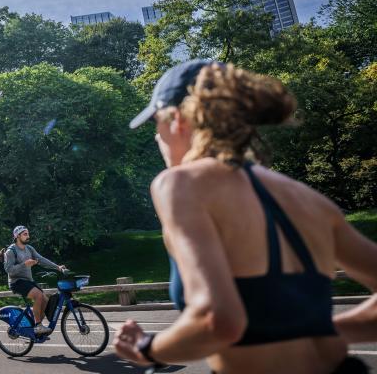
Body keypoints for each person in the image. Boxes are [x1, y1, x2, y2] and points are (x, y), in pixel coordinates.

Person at [113, 60, 377, 374]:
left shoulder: (179, 184)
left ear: (177, 120)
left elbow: (218, 321)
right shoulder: (307, 198)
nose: (156, 138)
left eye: (156, 124)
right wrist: (316, 328)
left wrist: (146, 349)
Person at [0, 225, 67, 335]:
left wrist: (57, 267)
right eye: (25, 234)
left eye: (28, 234)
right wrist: (24, 264)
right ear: (17, 236)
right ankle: (38, 326)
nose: (28, 236)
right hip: (16, 282)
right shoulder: (11, 251)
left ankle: (32, 327)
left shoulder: (29, 249)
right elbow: (9, 270)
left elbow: (41, 259)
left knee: (45, 300)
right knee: (38, 295)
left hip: (28, 281)